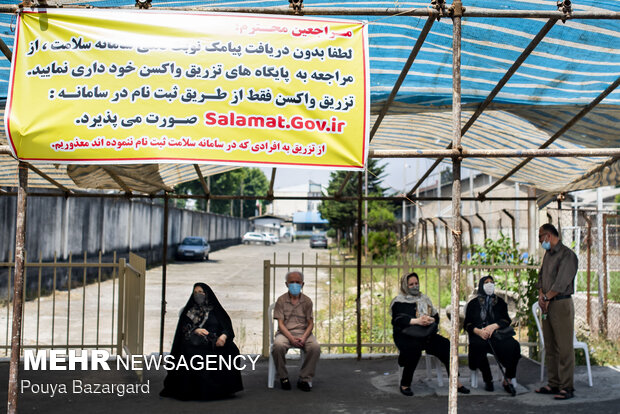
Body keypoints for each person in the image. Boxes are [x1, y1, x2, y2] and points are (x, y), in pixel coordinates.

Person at [391, 272, 470, 396]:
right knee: (414, 349)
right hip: (405, 336)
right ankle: (405, 384)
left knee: (445, 344)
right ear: (405, 285)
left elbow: (436, 316)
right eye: (411, 284)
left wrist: (431, 319)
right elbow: (397, 320)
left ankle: (455, 381)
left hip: (425, 334)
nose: (414, 286)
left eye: (416, 283)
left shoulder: (424, 299)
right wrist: (417, 321)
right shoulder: (399, 301)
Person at [160, 282, 243, 400]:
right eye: (195, 293)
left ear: (207, 294)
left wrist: (223, 336)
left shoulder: (216, 310)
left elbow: (227, 327)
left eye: (201, 292)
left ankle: (225, 390)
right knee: (194, 355)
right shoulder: (189, 311)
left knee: (231, 350)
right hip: (195, 342)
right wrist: (195, 330)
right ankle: (198, 391)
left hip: (215, 341)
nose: (198, 295)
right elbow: (183, 329)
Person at [534, 223, 578, 400]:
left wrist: (547, 297)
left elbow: (561, 282)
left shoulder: (567, 255)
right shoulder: (548, 254)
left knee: (564, 347)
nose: (539, 241)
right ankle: (554, 383)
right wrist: (541, 296)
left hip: (560, 303)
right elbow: (541, 276)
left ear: (549, 236)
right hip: (547, 303)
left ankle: (567, 387)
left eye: (540, 237)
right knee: (550, 345)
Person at [464, 275, 521, 396]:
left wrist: (494, 326)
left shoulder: (499, 302)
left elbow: (506, 320)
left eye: (491, 282)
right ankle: (488, 379)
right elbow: (467, 324)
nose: (489, 284)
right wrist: (479, 331)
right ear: (481, 285)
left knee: (514, 345)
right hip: (479, 336)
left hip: (497, 335)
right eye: (486, 282)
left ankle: (508, 379)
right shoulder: (473, 304)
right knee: (477, 346)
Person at [272, 270, 320, 391]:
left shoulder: (307, 301)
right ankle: (283, 377)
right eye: (291, 282)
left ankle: (304, 378)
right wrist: (291, 338)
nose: (294, 285)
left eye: (297, 282)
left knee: (315, 347)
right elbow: (281, 324)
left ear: (302, 284)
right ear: (286, 284)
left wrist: (304, 337)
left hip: (303, 332)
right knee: (278, 346)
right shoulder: (281, 300)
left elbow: (310, 323)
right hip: (285, 333)